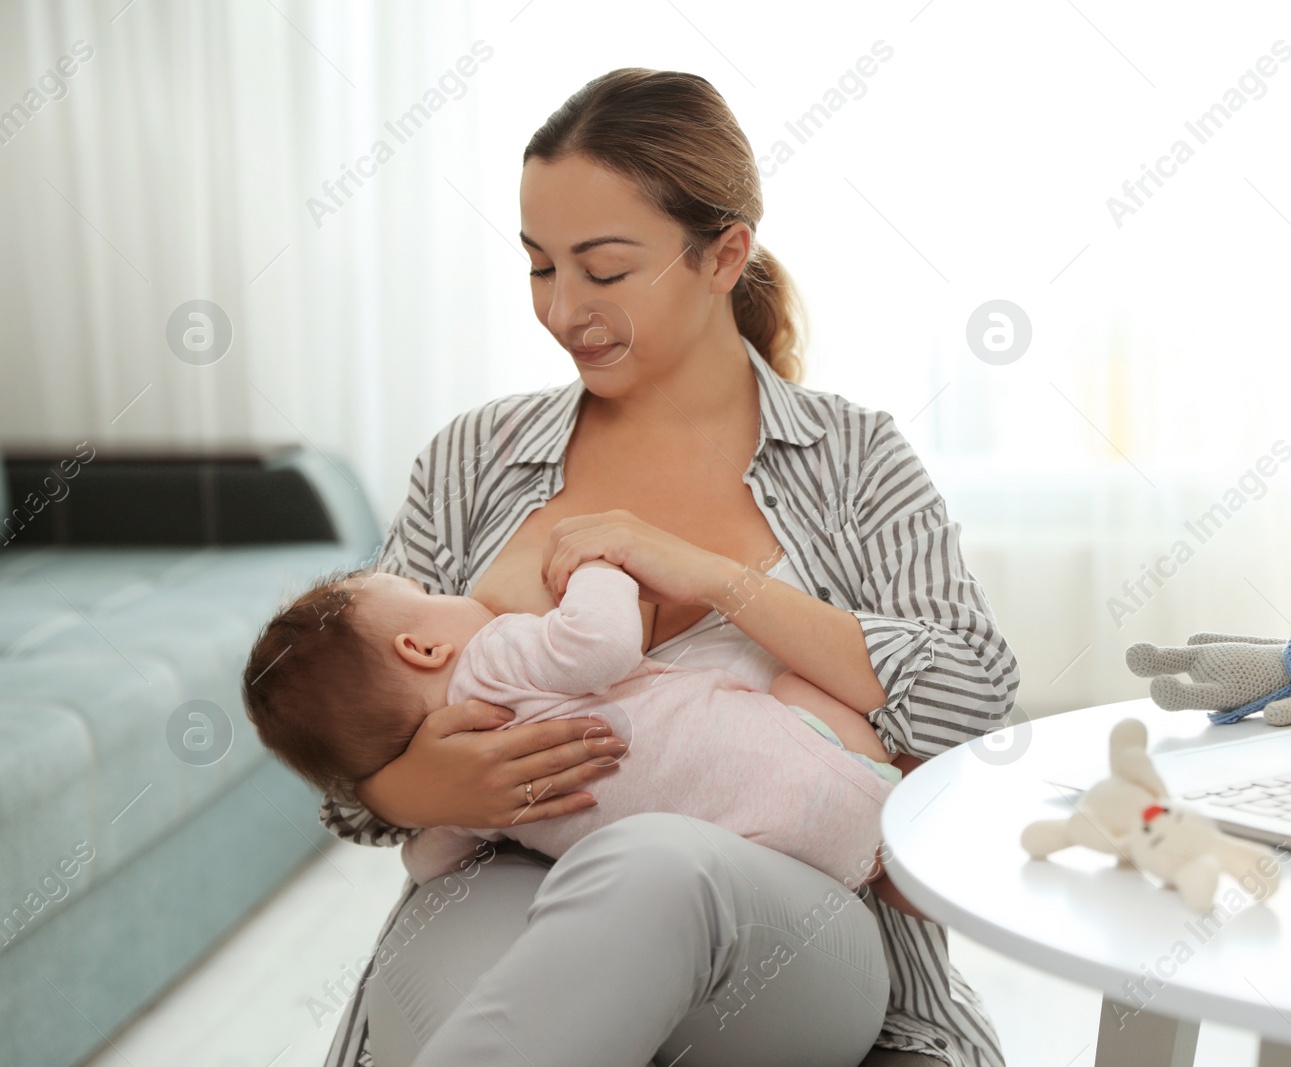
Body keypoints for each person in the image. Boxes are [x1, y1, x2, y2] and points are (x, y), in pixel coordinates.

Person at [318, 67, 1020, 1067]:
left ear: (724, 254)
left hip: (791, 928)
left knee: (653, 862)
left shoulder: (853, 458)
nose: (563, 311)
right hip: (507, 882)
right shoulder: (473, 458)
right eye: (537, 267)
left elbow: (975, 702)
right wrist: (407, 787)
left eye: (603, 271)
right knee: (461, 995)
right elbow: (342, 704)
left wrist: (709, 574)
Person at [241, 556, 904, 890]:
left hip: (768, 862)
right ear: (421, 647)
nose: (456, 593)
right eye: (427, 596)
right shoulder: (494, 655)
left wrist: (413, 806)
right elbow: (606, 643)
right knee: (783, 677)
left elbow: (425, 863)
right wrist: (598, 566)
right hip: (850, 780)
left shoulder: (465, 798)